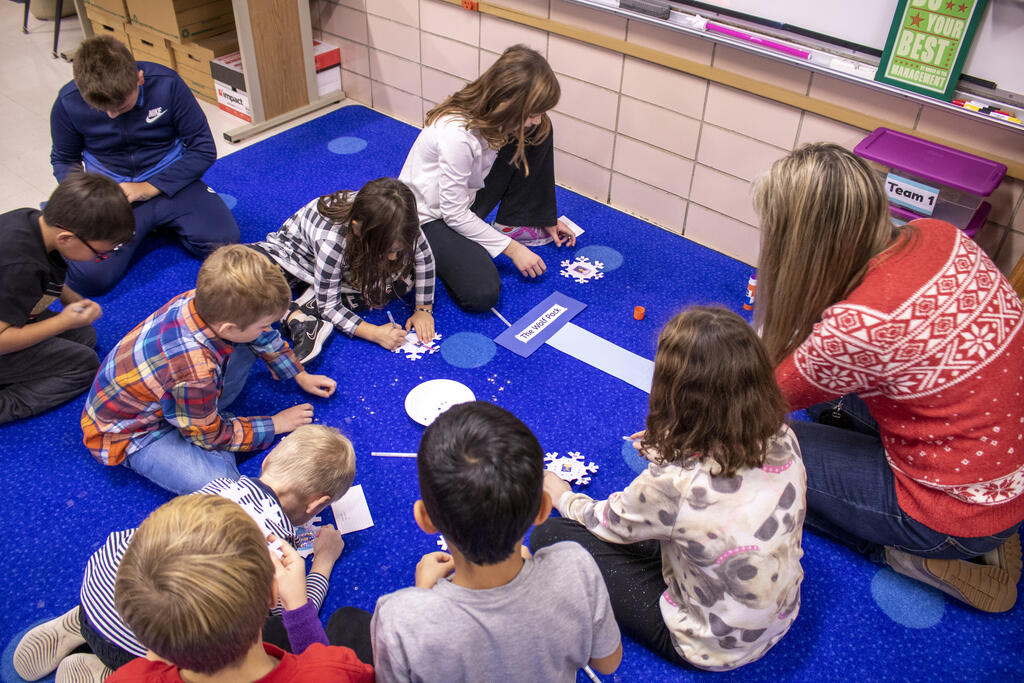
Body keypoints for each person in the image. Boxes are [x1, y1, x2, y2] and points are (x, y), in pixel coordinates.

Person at [753, 142, 1024, 612]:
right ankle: (987, 534)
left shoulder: (856, 328)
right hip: (1001, 472)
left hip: (947, 517)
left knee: (756, 455)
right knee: (828, 402)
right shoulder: (940, 233)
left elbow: (756, 402)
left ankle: (911, 556)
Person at [533, 306, 806, 671]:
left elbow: (607, 521)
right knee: (673, 528)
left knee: (551, 535)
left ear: (674, 395)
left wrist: (562, 494)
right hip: (781, 613)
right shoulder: (783, 436)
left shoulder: (673, 484)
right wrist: (675, 446)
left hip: (707, 645)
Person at [13, 424, 366, 682]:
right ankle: (104, 672)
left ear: (268, 460)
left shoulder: (219, 486)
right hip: (140, 650)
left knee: (150, 564)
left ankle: (74, 625)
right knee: (197, 634)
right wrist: (323, 561)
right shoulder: (277, 550)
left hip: (96, 594)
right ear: (317, 505)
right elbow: (295, 608)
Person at [371, 401, 622, 682]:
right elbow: (608, 663)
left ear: (424, 519)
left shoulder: (399, 618)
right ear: (542, 509)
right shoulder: (575, 566)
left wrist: (422, 597)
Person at [81, 244, 337, 494]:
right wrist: (274, 424)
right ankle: (204, 421)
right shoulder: (195, 372)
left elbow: (263, 336)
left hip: (172, 392)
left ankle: (201, 418)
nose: (266, 328)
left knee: (251, 340)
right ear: (228, 329)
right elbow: (210, 437)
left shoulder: (202, 300)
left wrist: (300, 374)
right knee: (226, 486)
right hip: (134, 432)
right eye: (263, 324)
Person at [50, 35, 239, 296]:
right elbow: (64, 159)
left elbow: (202, 148)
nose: (112, 115)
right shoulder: (67, 101)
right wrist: (88, 197)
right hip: (112, 196)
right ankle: (153, 227)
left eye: (121, 107)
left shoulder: (167, 83)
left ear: (139, 79)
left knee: (225, 242)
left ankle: (154, 225)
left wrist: (149, 187)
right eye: (102, 110)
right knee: (89, 279)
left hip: (170, 183)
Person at [111, 495, 372, 682]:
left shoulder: (128, 677)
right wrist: (297, 608)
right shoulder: (335, 671)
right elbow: (321, 666)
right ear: (273, 594)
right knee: (350, 621)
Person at [398, 44, 576, 312]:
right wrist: (513, 249)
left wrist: (542, 215)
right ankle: (421, 254)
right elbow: (453, 214)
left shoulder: (495, 116)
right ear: (507, 103)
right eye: (531, 113)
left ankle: (519, 220)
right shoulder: (456, 135)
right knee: (482, 293)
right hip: (430, 218)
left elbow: (530, 134)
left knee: (539, 131)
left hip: (465, 197)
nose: (536, 119)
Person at [252, 177, 436, 364]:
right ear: (357, 229)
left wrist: (423, 309)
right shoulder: (331, 240)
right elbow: (329, 307)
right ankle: (300, 317)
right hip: (291, 258)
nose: (393, 257)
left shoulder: (400, 219)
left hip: (345, 267)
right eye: (387, 250)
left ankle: (314, 298)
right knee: (244, 281)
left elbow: (424, 258)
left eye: (397, 250)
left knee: (396, 282)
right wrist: (374, 332)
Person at [0, 173, 134, 424]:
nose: (101, 259)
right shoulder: (20, 269)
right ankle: (7, 404)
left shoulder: (33, 221)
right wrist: (62, 322)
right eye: (100, 254)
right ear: (66, 239)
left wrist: (67, 296)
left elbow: (45, 269)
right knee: (83, 365)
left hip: (9, 311)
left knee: (85, 336)